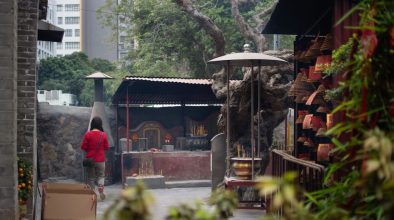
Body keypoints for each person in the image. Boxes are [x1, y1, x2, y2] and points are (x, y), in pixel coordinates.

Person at [81, 116, 109, 200]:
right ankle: (101, 191)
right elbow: (106, 147)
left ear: (92, 124)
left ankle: (93, 195)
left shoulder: (88, 134)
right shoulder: (103, 134)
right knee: (101, 176)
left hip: (90, 159)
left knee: (91, 178)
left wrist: (89, 149)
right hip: (101, 159)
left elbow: (83, 147)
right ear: (100, 124)